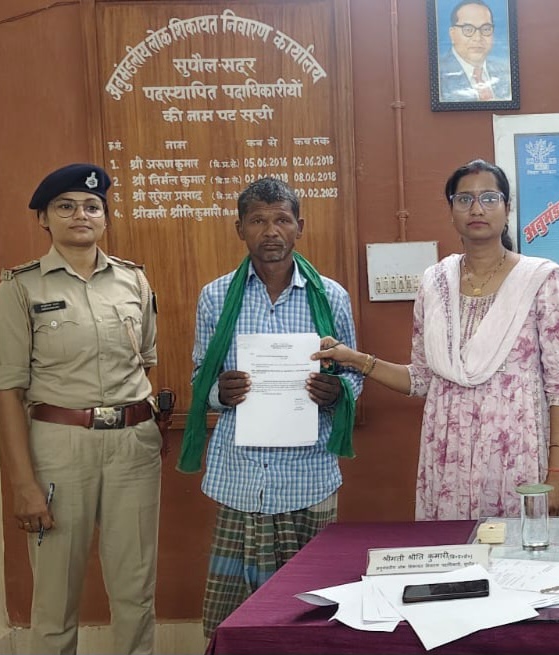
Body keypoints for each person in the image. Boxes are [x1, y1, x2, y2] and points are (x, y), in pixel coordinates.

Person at [312, 160, 559, 521]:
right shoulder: (434, 283)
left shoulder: (541, 281)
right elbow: (422, 379)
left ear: (507, 208)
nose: (476, 209)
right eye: (464, 199)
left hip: (515, 456)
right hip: (447, 457)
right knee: (451, 552)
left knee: (517, 552)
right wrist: (354, 359)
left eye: (489, 198)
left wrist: (558, 474)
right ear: (451, 210)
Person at [0, 163, 162, 654]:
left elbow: (146, 358)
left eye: (91, 206)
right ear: (44, 218)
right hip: (60, 449)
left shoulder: (133, 281)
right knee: (55, 598)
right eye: (65, 206)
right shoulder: (19, 289)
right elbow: (6, 390)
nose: (80, 215)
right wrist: (24, 484)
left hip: (133, 447)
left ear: (105, 217)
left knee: (136, 590)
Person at [177, 177, 363, 638]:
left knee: (311, 615)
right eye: (258, 220)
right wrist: (220, 392)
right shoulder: (216, 296)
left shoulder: (331, 296)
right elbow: (200, 377)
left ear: (300, 226)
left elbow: (354, 373)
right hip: (240, 478)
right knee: (238, 623)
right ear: (240, 229)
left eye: (282, 219)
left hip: (309, 476)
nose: (271, 231)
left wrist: (337, 391)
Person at [439, 0, 511, 102]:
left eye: (485, 29)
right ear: (452, 34)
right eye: (468, 29)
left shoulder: (506, 73)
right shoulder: (439, 76)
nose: (477, 38)